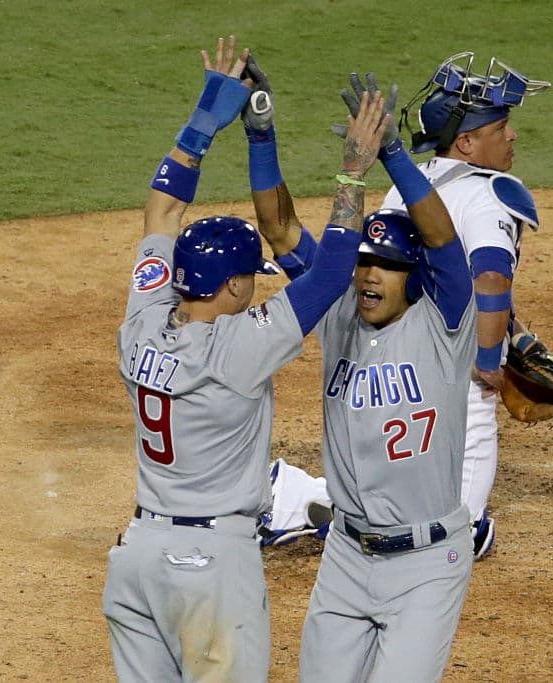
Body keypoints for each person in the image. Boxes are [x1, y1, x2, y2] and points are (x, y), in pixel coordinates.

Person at [101, 37, 391, 683]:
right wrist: (353, 170)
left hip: (138, 557)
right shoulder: (238, 348)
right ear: (233, 286)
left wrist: (209, 117)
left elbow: (162, 207)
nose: (257, 287)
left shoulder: (141, 318)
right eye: (251, 279)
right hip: (209, 570)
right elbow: (331, 274)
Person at [245, 65, 477, 682]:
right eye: (364, 262)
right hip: (346, 555)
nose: (370, 275)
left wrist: (393, 156)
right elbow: (279, 229)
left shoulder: (445, 322)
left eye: (389, 265)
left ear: (416, 276)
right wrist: (261, 135)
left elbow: (444, 239)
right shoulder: (339, 309)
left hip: (426, 562)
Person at [383, 52, 552, 560]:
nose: (513, 137)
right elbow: (491, 276)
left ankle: (299, 497)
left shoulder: (404, 186)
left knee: (403, 464)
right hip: (455, 357)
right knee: (460, 529)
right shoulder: (493, 192)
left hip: (394, 350)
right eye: (501, 127)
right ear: (466, 142)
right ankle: (300, 500)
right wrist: (487, 362)